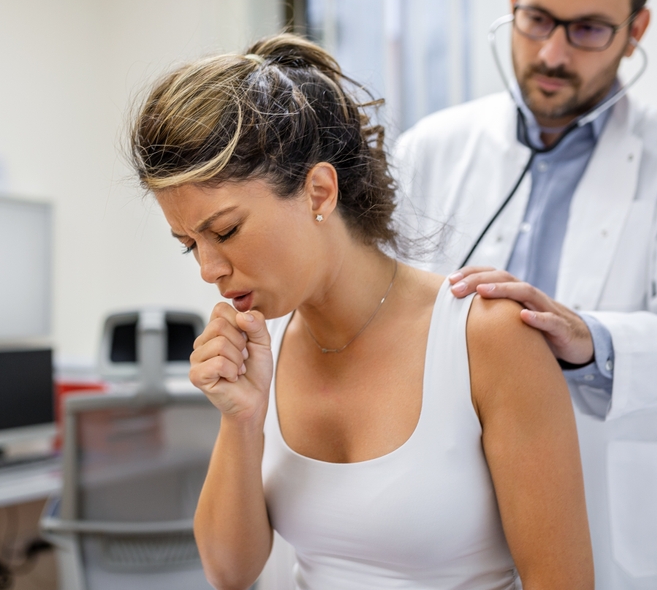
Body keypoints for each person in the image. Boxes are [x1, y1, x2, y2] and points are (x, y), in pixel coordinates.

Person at [128, 34, 593, 589]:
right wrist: (241, 419)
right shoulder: (261, 349)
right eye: (189, 243)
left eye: (225, 231)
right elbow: (229, 572)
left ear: (320, 192)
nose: (208, 269)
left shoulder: (486, 337)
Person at [391, 0, 657, 588]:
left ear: (635, 28)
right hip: (445, 513)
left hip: (605, 514)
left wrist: (593, 338)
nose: (553, 52)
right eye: (536, 20)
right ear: (514, 1)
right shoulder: (431, 147)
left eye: (588, 29)